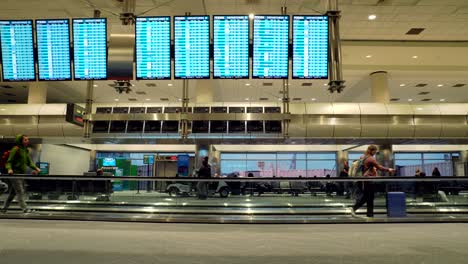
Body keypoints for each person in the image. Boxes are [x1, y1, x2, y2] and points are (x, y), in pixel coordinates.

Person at [350, 145, 395, 218]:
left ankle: (370, 214)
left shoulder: (363, 157)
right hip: (368, 181)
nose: (375, 152)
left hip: (362, 180)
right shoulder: (371, 159)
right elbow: (379, 167)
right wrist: (389, 169)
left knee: (369, 197)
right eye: (375, 151)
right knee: (367, 197)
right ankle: (354, 208)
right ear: (372, 150)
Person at [2, 134, 41, 213]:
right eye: (25, 140)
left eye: (28, 139)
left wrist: (36, 168)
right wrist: (9, 169)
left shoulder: (25, 150)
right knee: (20, 191)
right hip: (15, 175)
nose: (27, 141)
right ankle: (25, 209)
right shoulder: (15, 149)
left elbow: (29, 162)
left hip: (21, 175)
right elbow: (9, 161)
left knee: (12, 193)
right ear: (20, 141)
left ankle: (4, 209)